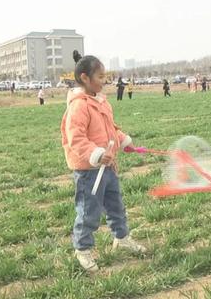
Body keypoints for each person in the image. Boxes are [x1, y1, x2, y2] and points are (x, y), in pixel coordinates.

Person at [61, 50, 146, 273]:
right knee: (89, 211)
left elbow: (110, 130)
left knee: (116, 205)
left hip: (108, 167)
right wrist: (97, 154)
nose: (104, 81)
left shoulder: (101, 102)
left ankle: (122, 237)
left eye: (104, 76)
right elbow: (75, 138)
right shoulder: (79, 106)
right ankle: (82, 249)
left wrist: (123, 140)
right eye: (99, 77)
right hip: (89, 170)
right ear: (84, 78)